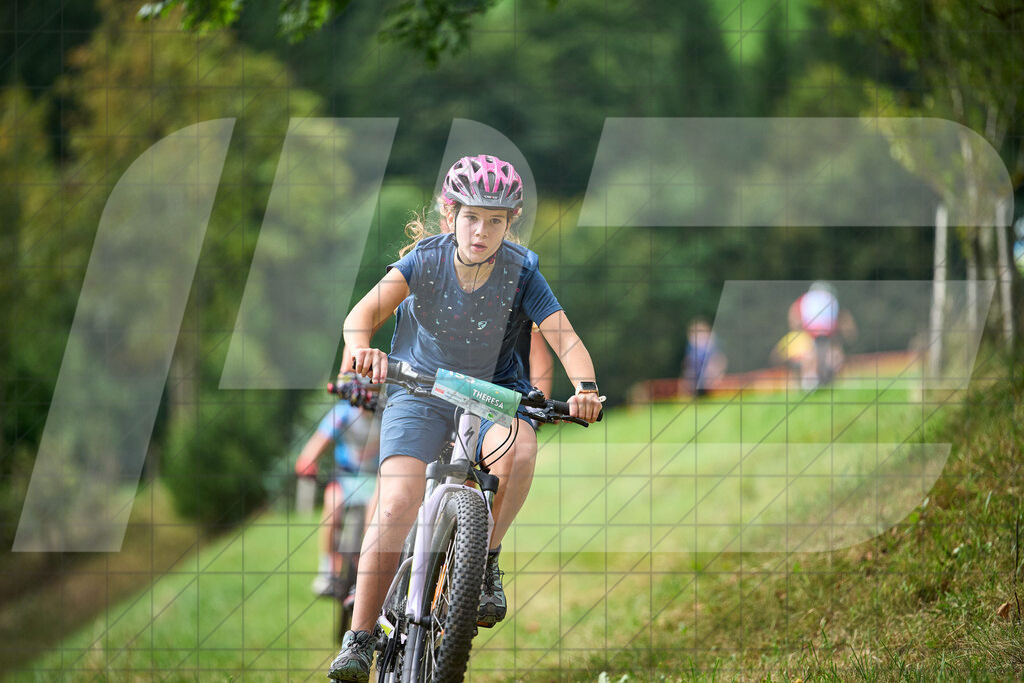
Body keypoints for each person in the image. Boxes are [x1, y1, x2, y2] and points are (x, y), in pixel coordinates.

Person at [327, 154, 602, 681]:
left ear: (510, 221)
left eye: (495, 220)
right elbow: (359, 317)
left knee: (521, 445)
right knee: (398, 501)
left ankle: (485, 562)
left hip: (495, 394)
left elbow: (565, 339)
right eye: (471, 217)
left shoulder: (522, 273)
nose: (481, 231)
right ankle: (360, 638)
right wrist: (360, 348)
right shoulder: (423, 263)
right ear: (449, 212)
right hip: (420, 391)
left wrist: (586, 388)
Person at [294, 378, 380, 598]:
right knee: (332, 506)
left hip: (376, 479)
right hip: (345, 475)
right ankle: (328, 571)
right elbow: (314, 447)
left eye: (373, 390)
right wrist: (308, 462)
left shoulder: (387, 414)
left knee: (378, 518)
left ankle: (370, 569)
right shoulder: (342, 413)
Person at [787, 281, 857, 390]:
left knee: (813, 356)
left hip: (810, 332)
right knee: (828, 355)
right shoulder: (830, 298)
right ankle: (814, 380)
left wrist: (799, 329)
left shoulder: (804, 299)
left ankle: (810, 380)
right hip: (824, 333)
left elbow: (794, 315)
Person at [680, 318, 726, 397]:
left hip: (709, 371)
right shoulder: (691, 347)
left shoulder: (712, 345)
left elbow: (719, 359)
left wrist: (716, 373)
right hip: (695, 371)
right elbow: (688, 361)